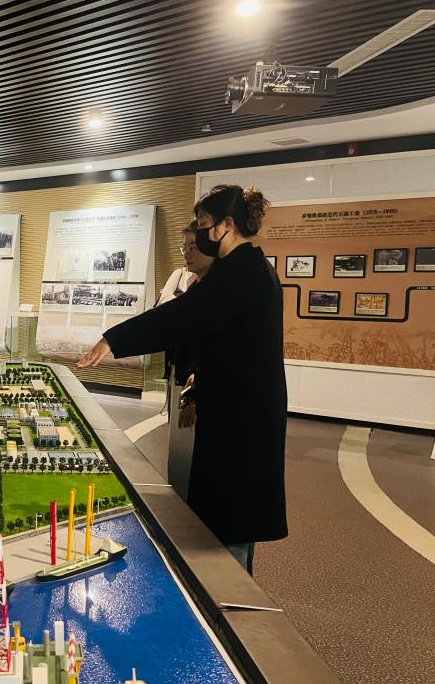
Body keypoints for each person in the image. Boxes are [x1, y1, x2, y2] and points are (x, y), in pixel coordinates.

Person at [79, 185, 287, 574]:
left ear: (226, 225)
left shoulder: (240, 272)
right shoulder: (248, 268)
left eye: (205, 223)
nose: (199, 235)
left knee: (230, 520)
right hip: (241, 411)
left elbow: (180, 317)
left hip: (241, 420)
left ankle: (230, 599)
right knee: (231, 515)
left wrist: (113, 339)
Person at [158, 220, 214, 501]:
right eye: (185, 247)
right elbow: (163, 307)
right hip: (180, 371)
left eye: (194, 246)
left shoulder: (216, 290)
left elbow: (210, 346)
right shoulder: (189, 281)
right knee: (180, 448)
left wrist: (192, 396)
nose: (187, 253)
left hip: (195, 380)